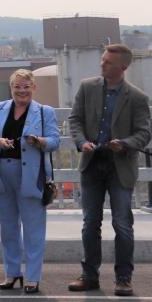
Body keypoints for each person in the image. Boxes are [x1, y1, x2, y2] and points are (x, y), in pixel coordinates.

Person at [67, 44, 151, 297]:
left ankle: (123, 278)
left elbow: (144, 133)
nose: (102, 65)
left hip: (120, 166)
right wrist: (82, 142)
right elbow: (75, 120)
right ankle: (89, 276)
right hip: (92, 163)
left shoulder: (137, 97)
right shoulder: (87, 87)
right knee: (90, 223)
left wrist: (124, 144)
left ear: (123, 67)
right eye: (102, 60)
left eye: (108, 62)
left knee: (122, 224)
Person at [0, 68, 60, 294]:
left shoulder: (45, 112)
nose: (22, 91)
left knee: (33, 228)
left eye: (26, 86)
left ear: (34, 88)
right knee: (8, 228)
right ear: (11, 88)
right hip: (2, 174)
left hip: (31, 177)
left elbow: (55, 141)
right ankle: (12, 273)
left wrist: (40, 141)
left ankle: (32, 277)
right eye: (17, 86)